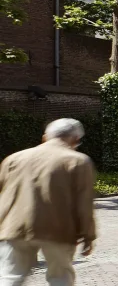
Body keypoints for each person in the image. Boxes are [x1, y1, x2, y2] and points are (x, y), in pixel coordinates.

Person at [0, 118, 96, 286]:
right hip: (57, 229)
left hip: (13, 227)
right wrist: (88, 235)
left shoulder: (13, 159)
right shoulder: (78, 161)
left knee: (10, 276)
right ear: (75, 140)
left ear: (45, 137)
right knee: (60, 277)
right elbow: (84, 204)